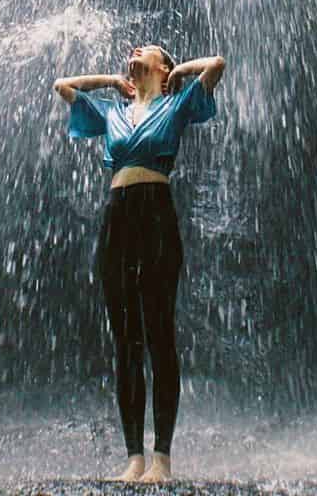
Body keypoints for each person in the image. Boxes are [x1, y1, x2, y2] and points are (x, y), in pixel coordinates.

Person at [53, 45, 225, 483]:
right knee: (125, 340)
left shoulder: (176, 103)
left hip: (157, 215)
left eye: (145, 50)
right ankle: (134, 458)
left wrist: (179, 74)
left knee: (159, 333)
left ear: (162, 66)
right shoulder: (113, 112)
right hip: (117, 217)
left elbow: (217, 65)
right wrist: (112, 82)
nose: (134, 51)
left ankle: (162, 459)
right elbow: (63, 86)